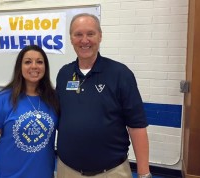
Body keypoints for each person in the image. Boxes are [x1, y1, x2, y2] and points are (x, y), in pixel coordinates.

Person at [56, 13, 151, 178]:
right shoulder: (64, 74)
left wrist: (144, 173)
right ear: (71, 39)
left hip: (111, 172)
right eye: (78, 34)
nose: (84, 40)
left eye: (90, 34)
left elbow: (137, 126)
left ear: (100, 36)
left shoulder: (120, 74)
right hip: (67, 170)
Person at [0, 45, 59, 178]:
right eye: (28, 62)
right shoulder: (3, 100)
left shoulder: (53, 99)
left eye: (39, 62)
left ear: (45, 67)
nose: (34, 66)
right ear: (20, 67)